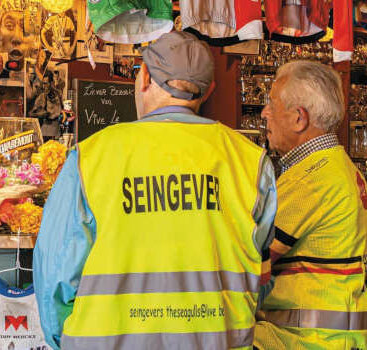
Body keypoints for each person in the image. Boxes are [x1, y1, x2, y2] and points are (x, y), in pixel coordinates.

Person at [33, 31, 277, 350]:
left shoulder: (90, 157)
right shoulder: (250, 162)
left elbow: (55, 272)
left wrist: (60, 338)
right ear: (209, 90)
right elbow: (262, 276)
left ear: (144, 76)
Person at [254, 61, 367, 349]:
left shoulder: (312, 180)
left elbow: (249, 259)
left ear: (298, 118)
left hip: (305, 341)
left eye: (272, 104)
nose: (264, 113)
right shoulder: (338, 167)